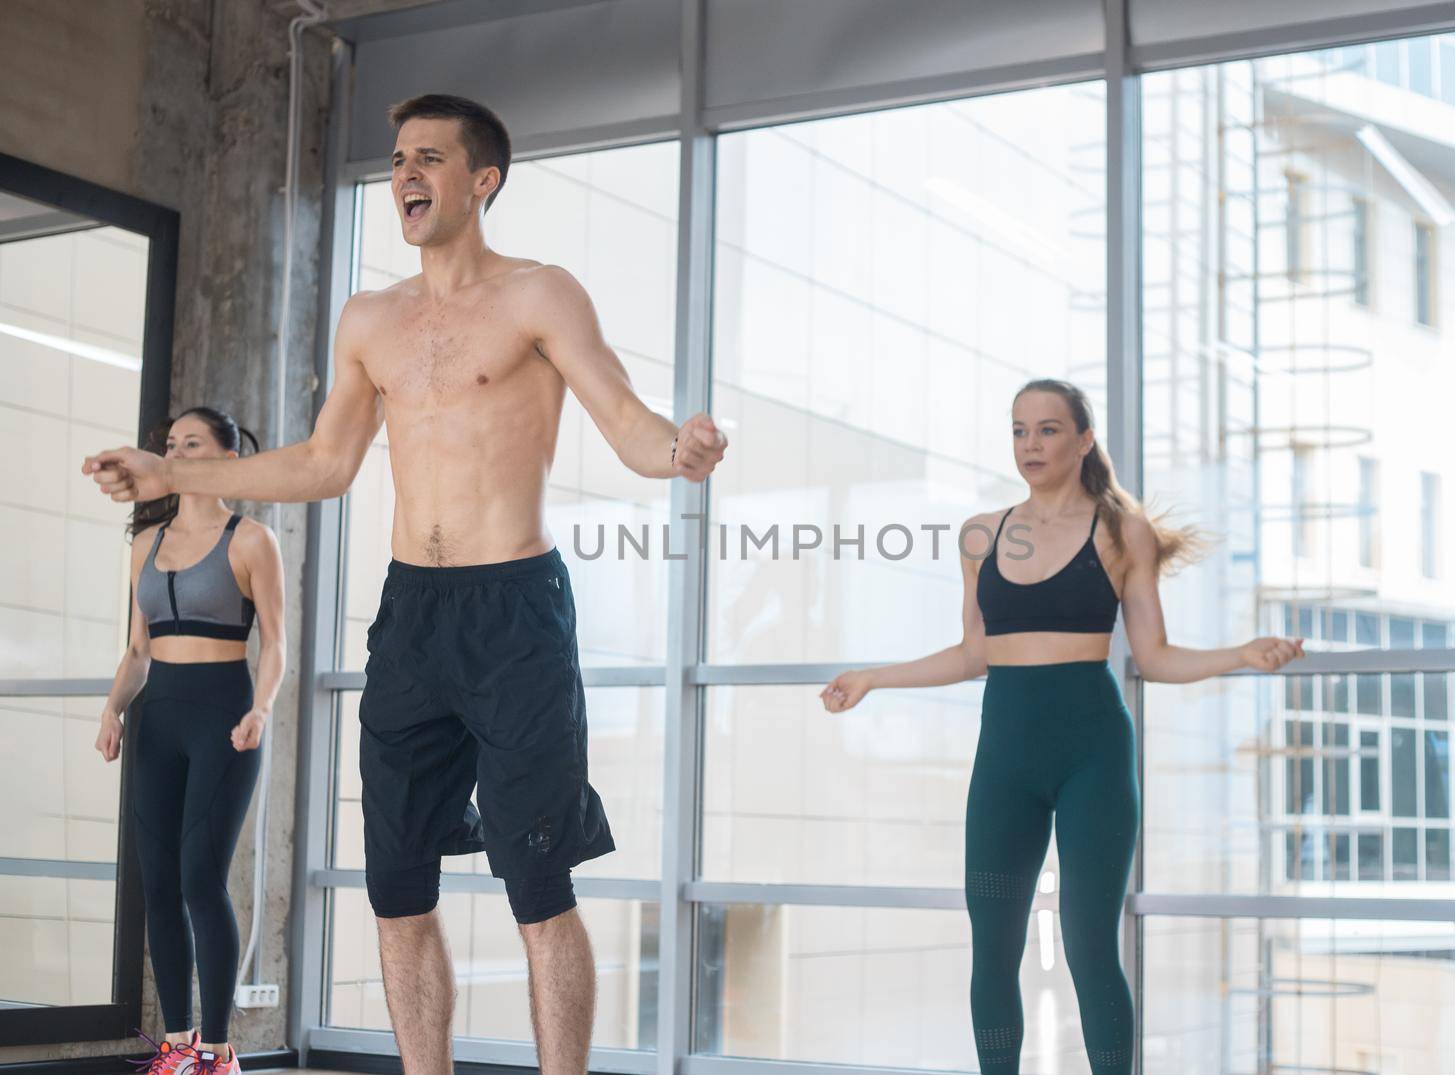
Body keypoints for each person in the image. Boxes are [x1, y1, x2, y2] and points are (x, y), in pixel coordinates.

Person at [83, 93, 726, 1075]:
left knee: (538, 885)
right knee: (396, 889)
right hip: (410, 618)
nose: (405, 174)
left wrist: (678, 449)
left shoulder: (539, 295)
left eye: (428, 157)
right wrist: (177, 475)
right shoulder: (369, 319)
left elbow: (627, 421)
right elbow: (324, 464)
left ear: (483, 181)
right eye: (394, 160)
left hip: (514, 612)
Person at [820, 378, 1304, 1075]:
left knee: (1087, 943)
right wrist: (873, 676)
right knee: (993, 945)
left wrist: (1243, 654)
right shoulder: (981, 535)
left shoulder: (1120, 532)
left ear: (1083, 440)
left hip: (1093, 757)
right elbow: (973, 652)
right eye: (1019, 430)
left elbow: (1155, 656)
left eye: (1048, 429)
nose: (1031, 444)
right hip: (1005, 760)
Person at [96, 407, 286, 1075]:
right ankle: (175, 1046)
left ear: (226, 458)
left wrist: (261, 709)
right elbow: (138, 649)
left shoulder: (252, 539)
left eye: (192, 443)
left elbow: (275, 644)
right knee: (158, 882)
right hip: (158, 718)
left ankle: (217, 1049)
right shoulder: (143, 544)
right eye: (170, 444)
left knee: (201, 877)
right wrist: (112, 709)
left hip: (225, 716)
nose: (175, 453)